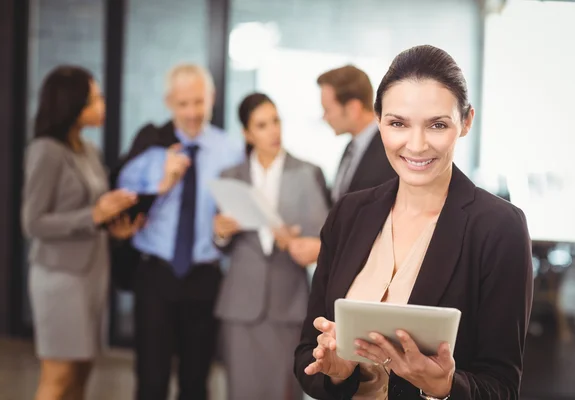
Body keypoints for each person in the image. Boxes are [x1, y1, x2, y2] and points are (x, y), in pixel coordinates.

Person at [294, 45, 533, 400]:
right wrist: (337, 373)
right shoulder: (349, 214)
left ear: (466, 122)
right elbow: (305, 356)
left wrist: (443, 388)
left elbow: (501, 387)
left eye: (437, 124)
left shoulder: (499, 228)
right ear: (378, 121)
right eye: (398, 123)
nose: (416, 145)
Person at [116, 63, 244, 400]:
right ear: (169, 102)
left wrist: (227, 227)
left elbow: (238, 209)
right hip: (155, 276)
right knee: (151, 381)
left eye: (199, 102)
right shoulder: (149, 148)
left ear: (212, 98)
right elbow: (123, 211)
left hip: (204, 277)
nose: (192, 112)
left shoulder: (229, 150)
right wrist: (162, 184)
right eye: (183, 103)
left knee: (195, 382)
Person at [22, 66, 143, 400]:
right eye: (95, 99)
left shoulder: (89, 150)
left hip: (93, 274)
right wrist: (93, 215)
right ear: (71, 104)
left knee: (82, 372)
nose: (102, 105)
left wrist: (113, 226)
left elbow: (95, 214)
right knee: (58, 376)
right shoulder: (45, 151)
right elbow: (32, 222)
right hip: (59, 278)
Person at [213, 93, 329, 400]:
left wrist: (297, 241)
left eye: (276, 121)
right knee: (241, 391)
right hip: (240, 303)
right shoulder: (230, 177)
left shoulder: (307, 172)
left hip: (288, 302)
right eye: (262, 125)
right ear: (247, 133)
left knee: (284, 392)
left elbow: (325, 240)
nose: (273, 131)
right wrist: (221, 233)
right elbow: (221, 246)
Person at [287, 65, 396, 267]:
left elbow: (380, 227)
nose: (324, 117)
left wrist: (324, 248)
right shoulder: (352, 148)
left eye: (328, 110)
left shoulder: (389, 153)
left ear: (353, 108)